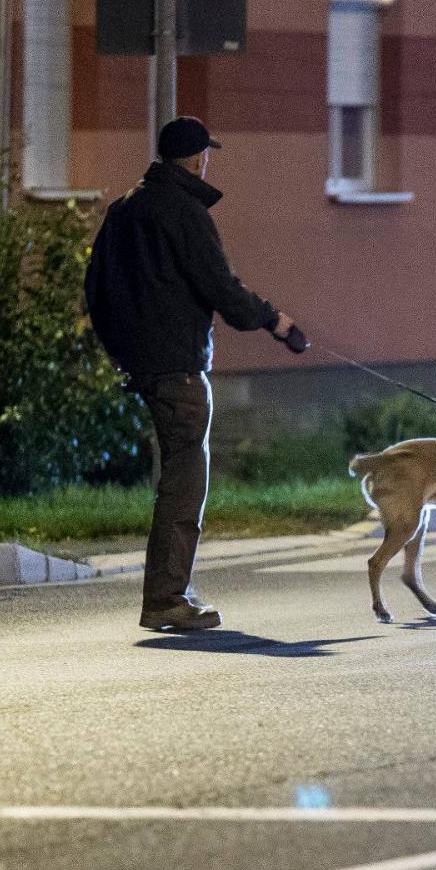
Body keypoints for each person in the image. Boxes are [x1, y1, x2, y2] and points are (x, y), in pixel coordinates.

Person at [84, 115, 308, 632]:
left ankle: (166, 594)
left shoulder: (123, 209)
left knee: (177, 476)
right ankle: (166, 599)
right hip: (178, 367)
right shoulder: (185, 212)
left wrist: (122, 350)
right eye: (206, 153)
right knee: (185, 483)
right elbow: (221, 288)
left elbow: (95, 287)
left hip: (142, 364)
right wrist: (275, 320)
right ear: (196, 158)